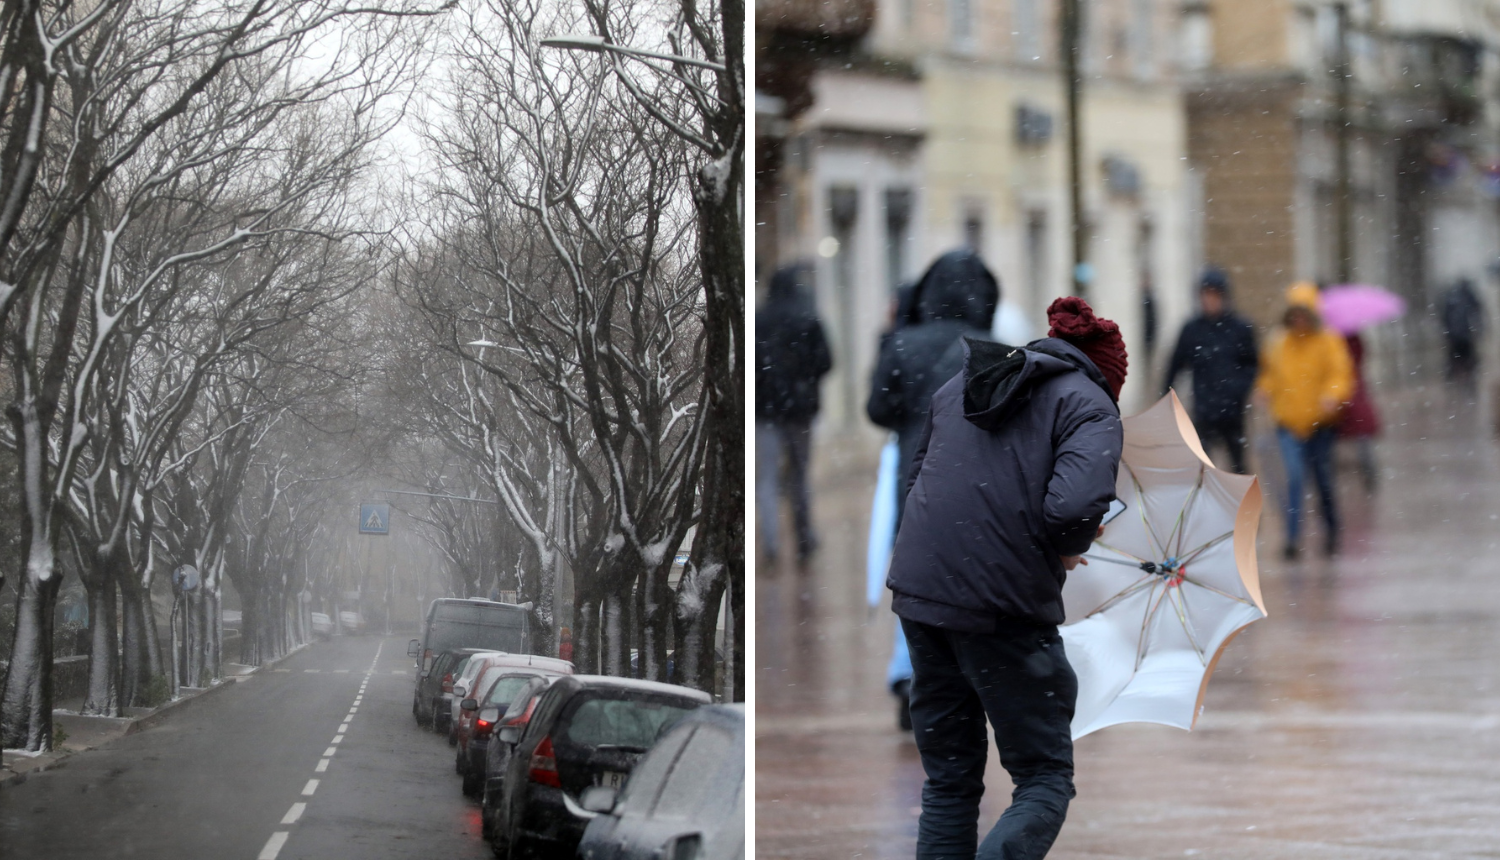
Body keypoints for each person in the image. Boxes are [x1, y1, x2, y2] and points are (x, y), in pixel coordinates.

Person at [886, 296, 1126, 860]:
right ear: (1106, 373)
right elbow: (1071, 510)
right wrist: (1068, 548)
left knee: (949, 781)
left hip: (923, 596)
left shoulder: (966, 384)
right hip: (1002, 606)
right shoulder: (1090, 405)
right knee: (1043, 778)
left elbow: (917, 479)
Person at [867, 250, 999, 728]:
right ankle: (962, 678)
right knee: (967, 584)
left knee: (914, 584)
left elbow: (877, 411)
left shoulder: (903, 346)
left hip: (915, 483)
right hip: (977, 490)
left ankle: (912, 674)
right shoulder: (996, 349)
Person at [1254, 282, 1354, 559]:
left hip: (1321, 424)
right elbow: (1270, 374)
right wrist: (1264, 389)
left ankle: (1332, 529)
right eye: (1294, 314)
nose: (1299, 319)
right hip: (1288, 423)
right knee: (1294, 478)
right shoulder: (1278, 343)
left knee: (1322, 480)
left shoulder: (1329, 340)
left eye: (1304, 313)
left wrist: (1332, 395)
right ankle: (1292, 538)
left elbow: (1340, 374)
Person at [755, 263, 833, 562]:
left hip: (765, 411)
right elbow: (826, 362)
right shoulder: (808, 318)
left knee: (768, 478)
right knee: (800, 476)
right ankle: (803, 539)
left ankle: (771, 546)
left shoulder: (760, 321)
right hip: (800, 411)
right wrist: (803, 379)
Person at [1161, 267, 1259, 473]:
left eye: (1214, 294)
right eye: (1205, 294)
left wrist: (1238, 389)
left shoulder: (1240, 328)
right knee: (1201, 468)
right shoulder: (1192, 329)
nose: (1209, 300)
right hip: (1203, 409)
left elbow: (1252, 365)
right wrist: (1165, 399)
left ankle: (1240, 504)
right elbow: (1175, 365)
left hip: (1233, 412)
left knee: (1238, 467)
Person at [1338, 332, 1380, 492]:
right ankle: (1367, 470)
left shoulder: (1332, 338)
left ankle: (1365, 470)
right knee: (1362, 434)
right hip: (1352, 389)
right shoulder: (1351, 336)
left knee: (1359, 432)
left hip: (1346, 392)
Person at [1441, 279, 1485, 389]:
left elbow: (1444, 318)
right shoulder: (1468, 298)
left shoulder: (1451, 299)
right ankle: (1468, 382)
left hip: (1455, 337)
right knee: (1467, 361)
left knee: (1456, 361)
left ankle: (1455, 383)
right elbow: (1477, 313)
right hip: (1464, 337)